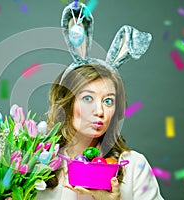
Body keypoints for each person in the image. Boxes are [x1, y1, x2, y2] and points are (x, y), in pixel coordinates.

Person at [36, 1, 164, 200]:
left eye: (108, 101)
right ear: (66, 102)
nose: (99, 111)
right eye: (88, 98)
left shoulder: (134, 167)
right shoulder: (35, 163)